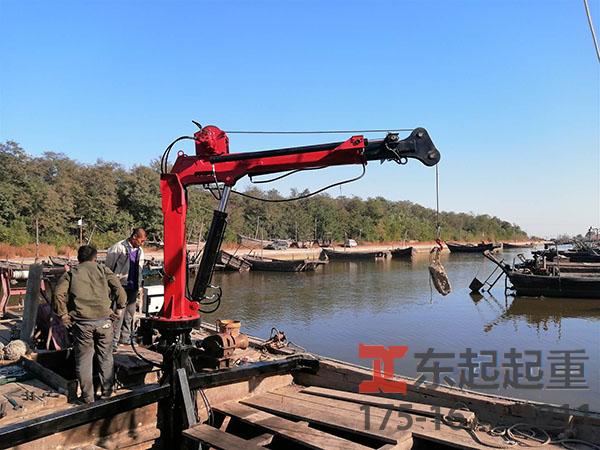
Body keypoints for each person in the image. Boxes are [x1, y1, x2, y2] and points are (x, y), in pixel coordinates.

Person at [54, 245, 127, 403]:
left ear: (79, 259)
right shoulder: (103, 270)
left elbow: (58, 293)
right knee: (106, 358)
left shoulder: (71, 273)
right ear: (95, 258)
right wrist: (120, 310)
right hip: (105, 322)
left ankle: (87, 397)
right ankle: (107, 393)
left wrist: (64, 315)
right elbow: (120, 291)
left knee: (84, 360)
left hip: (83, 324)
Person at [106, 227, 146, 350]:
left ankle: (126, 337)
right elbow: (109, 267)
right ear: (134, 237)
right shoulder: (118, 248)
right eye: (141, 240)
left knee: (129, 313)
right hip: (120, 285)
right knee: (118, 312)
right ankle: (113, 340)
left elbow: (140, 268)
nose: (142, 243)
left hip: (133, 285)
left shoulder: (140, 250)